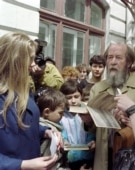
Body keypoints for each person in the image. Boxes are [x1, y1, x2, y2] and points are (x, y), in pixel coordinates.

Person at [88, 42, 135, 170]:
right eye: (109, 57)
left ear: (129, 62)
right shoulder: (97, 89)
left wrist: (134, 112)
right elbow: (92, 129)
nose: (113, 62)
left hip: (133, 158)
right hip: (104, 158)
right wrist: (87, 121)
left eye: (118, 57)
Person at [0, 32, 62, 169]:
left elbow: (25, 124)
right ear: (15, 61)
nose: (33, 65)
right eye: (30, 59)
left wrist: (46, 131)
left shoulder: (23, 89)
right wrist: (22, 165)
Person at [60, 80, 95, 170]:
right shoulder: (61, 115)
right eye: (69, 97)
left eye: (76, 97)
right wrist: (64, 141)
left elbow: (91, 131)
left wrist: (92, 141)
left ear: (81, 96)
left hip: (87, 157)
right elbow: (61, 132)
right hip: (69, 159)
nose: (73, 101)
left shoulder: (86, 113)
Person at [37, 87, 68, 169]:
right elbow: (49, 159)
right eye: (60, 113)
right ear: (46, 112)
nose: (63, 116)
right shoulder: (49, 130)